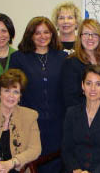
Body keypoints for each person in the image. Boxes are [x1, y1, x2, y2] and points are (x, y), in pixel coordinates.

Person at [9, 16, 66, 173]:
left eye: (46, 32)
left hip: (57, 124)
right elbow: (13, 92)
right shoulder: (18, 58)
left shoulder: (62, 57)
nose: (42, 37)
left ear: (53, 34)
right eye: (37, 33)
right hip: (30, 124)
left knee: (54, 165)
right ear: (30, 35)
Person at [62, 65, 100, 173]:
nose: (93, 89)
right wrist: (75, 169)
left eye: (98, 84)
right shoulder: (71, 113)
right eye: (88, 83)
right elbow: (66, 149)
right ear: (82, 85)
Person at [0, 69, 41, 173]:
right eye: (6, 90)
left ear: (20, 96)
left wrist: (11, 163)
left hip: (17, 169)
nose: (11, 96)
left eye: (15, 92)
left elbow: (35, 149)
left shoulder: (30, 116)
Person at [62, 18, 100, 110]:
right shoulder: (71, 62)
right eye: (86, 34)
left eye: (94, 34)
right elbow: (70, 98)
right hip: (81, 117)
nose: (90, 38)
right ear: (80, 37)